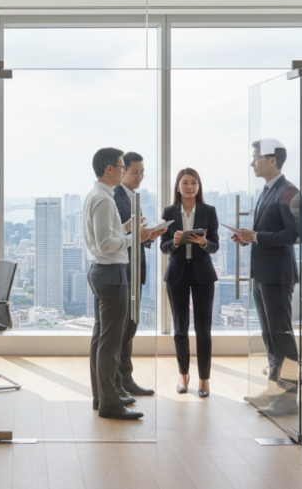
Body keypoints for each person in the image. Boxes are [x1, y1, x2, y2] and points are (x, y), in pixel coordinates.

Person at [233, 139, 302, 417]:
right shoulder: (267, 191)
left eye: (256, 158)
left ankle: (288, 399)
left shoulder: (289, 192)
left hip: (277, 276)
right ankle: (275, 391)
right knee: (269, 336)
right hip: (262, 275)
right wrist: (249, 238)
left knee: (282, 337)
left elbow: (295, 235)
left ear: (272, 160)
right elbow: (266, 233)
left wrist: (258, 237)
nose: (253, 163)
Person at [84, 147, 155, 420]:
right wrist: (133, 238)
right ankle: (110, 404)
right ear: (110, 169)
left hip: (101, 272)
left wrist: (125, 229)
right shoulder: (104, 200)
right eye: (121, 166)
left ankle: (101, 397)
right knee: (110, 344)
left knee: (101, 340)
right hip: (111, 275)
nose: (125, 171)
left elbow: (104, 236)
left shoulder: (97, 196)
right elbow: (105, 244)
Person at [159, 168, 219, 398]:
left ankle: (204, 379)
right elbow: (163, 247)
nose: (189, 187)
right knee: (180, 328)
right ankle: (183, 375)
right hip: (177, 276)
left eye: (194, 183)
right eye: (185, 183)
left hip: (203, 275)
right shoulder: (169, 212)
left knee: (204, 330)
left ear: (199, 186)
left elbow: (215, 244)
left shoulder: (209, 211)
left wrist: (204, 242)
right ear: (177, 187)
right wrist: (174, 242)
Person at [112, 152, 162, 399]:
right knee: (122, 331)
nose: (140, 177)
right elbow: (116, 238)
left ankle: (126, 379)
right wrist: (138, 235)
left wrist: (148, 236)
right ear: (122, 172)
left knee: (130, 328)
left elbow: (134, 237)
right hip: (123, 271)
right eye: (135, 172)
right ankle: (117, 384)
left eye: (142, 172)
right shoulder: (115, 197)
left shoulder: (132, 197)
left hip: (135, 270)